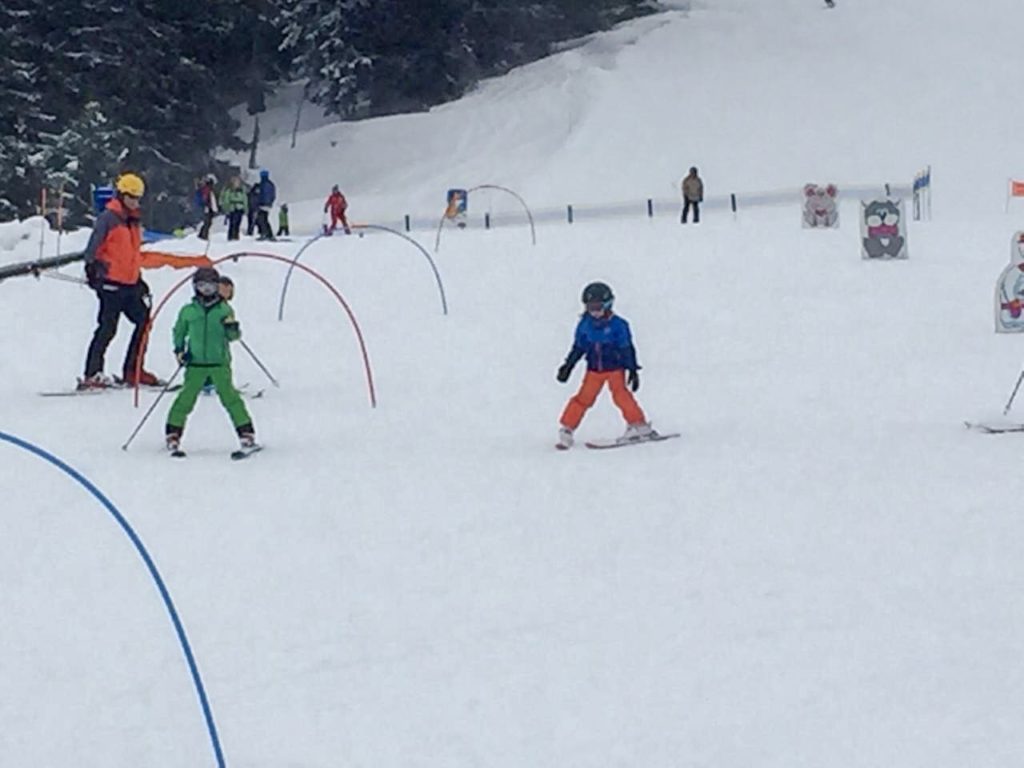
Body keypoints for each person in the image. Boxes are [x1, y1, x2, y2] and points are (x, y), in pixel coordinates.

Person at [79, 173, 212, 390]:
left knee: (143, 321)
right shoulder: (109, 218)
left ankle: (134, 370)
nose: (135, 202)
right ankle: (92, 374)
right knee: (107, 328)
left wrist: (138, 279)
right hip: (110, 285)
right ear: (121, 196)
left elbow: (131, 254)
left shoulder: (133, 220)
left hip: (129, 284)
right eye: (132, 197)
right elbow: (92, 249)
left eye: (138, 198)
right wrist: (92, 269)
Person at [554, 282, 658, 449]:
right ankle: (567, 429)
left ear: (608, 304)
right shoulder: (585, 325)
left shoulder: (618, 325)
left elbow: (626, 347)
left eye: (598, 306)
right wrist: (568, 366)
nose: (594, 312)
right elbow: (578, 347)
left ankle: (639, 425)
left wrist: (632, 369)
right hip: (594, 370)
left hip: (615, 369)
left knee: (621, 395)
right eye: (590, 307)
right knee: (583, 399)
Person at [165, 267, 256, 454]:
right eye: (201, 286)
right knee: (185, 398)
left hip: (219, 363)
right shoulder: (188, 311)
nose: (206, 291)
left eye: (210, 287)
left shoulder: (224, 309)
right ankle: (173, 433)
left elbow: (233, 337)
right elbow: (179, 331)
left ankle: (246, 433)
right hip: (195, 364)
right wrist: (179, 350)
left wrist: (232, 327)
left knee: (230, 398)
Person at [219, 176, 248, 241]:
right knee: (232, 223)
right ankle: (231, 237)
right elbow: (226, 200)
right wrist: (226, 208)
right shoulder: (229, 191)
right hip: (232, 208)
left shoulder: (242, 190)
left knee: (238, 223)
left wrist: (246, 209)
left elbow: (245, 199)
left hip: (240, 208)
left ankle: (236, 236)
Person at [254, 169, 276, 240]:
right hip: (268, 204)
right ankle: (269, 234)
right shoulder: (271, 184)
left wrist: (258, 202)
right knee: (264, 219)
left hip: (262, 204)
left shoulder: (262, 185)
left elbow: (260, 195)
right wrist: (271, 202)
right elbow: (273, 195)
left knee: (262, 220)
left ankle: (265, 233)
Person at [196, 174, 219, 240]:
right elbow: (208, 199)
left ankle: (202, 235)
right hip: (207, 208)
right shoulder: (207, 189)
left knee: (208, 222)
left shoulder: (208, 189)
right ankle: (203, 236)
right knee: (207, 222)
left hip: (208, 207)